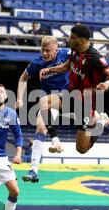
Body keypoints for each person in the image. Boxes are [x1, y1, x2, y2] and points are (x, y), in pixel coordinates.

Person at [40, 24, 109, 156]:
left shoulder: (95, 57)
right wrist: (50, 69)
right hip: (70, 96)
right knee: (44, 101)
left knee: (82, 149)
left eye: (72, 37)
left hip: (86, 105)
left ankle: (101, 124)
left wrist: (107, 84)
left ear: (82, 41)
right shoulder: (75, 51)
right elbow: (66, 67)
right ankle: (55, 140)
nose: (69, 39)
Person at [16, 36, 70, 183]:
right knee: (40, 128)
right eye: (43, 50)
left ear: (56, 50)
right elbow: (23, 79)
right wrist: (19, 98)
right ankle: (33, 170)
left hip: (70, 95)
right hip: (50, 102)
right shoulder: (36, 62)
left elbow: (83, 55)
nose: (45, 54)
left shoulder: (65, 54)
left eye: (48, 51)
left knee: (98, 122)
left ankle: (55, 140)